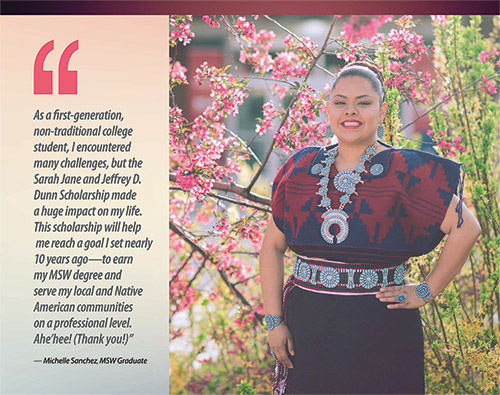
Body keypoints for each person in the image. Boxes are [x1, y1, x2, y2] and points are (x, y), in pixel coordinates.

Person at [259, 61, 481, 395]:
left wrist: (425, 290)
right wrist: (274, 321)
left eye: (363, 102)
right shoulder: (301, 167)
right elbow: (273, 246)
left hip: (381, 327)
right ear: (329, 107)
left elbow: (468, 228)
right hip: (308, 326)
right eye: (340, 102)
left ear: (381, 109)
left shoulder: (406, 171)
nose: (351, 111)